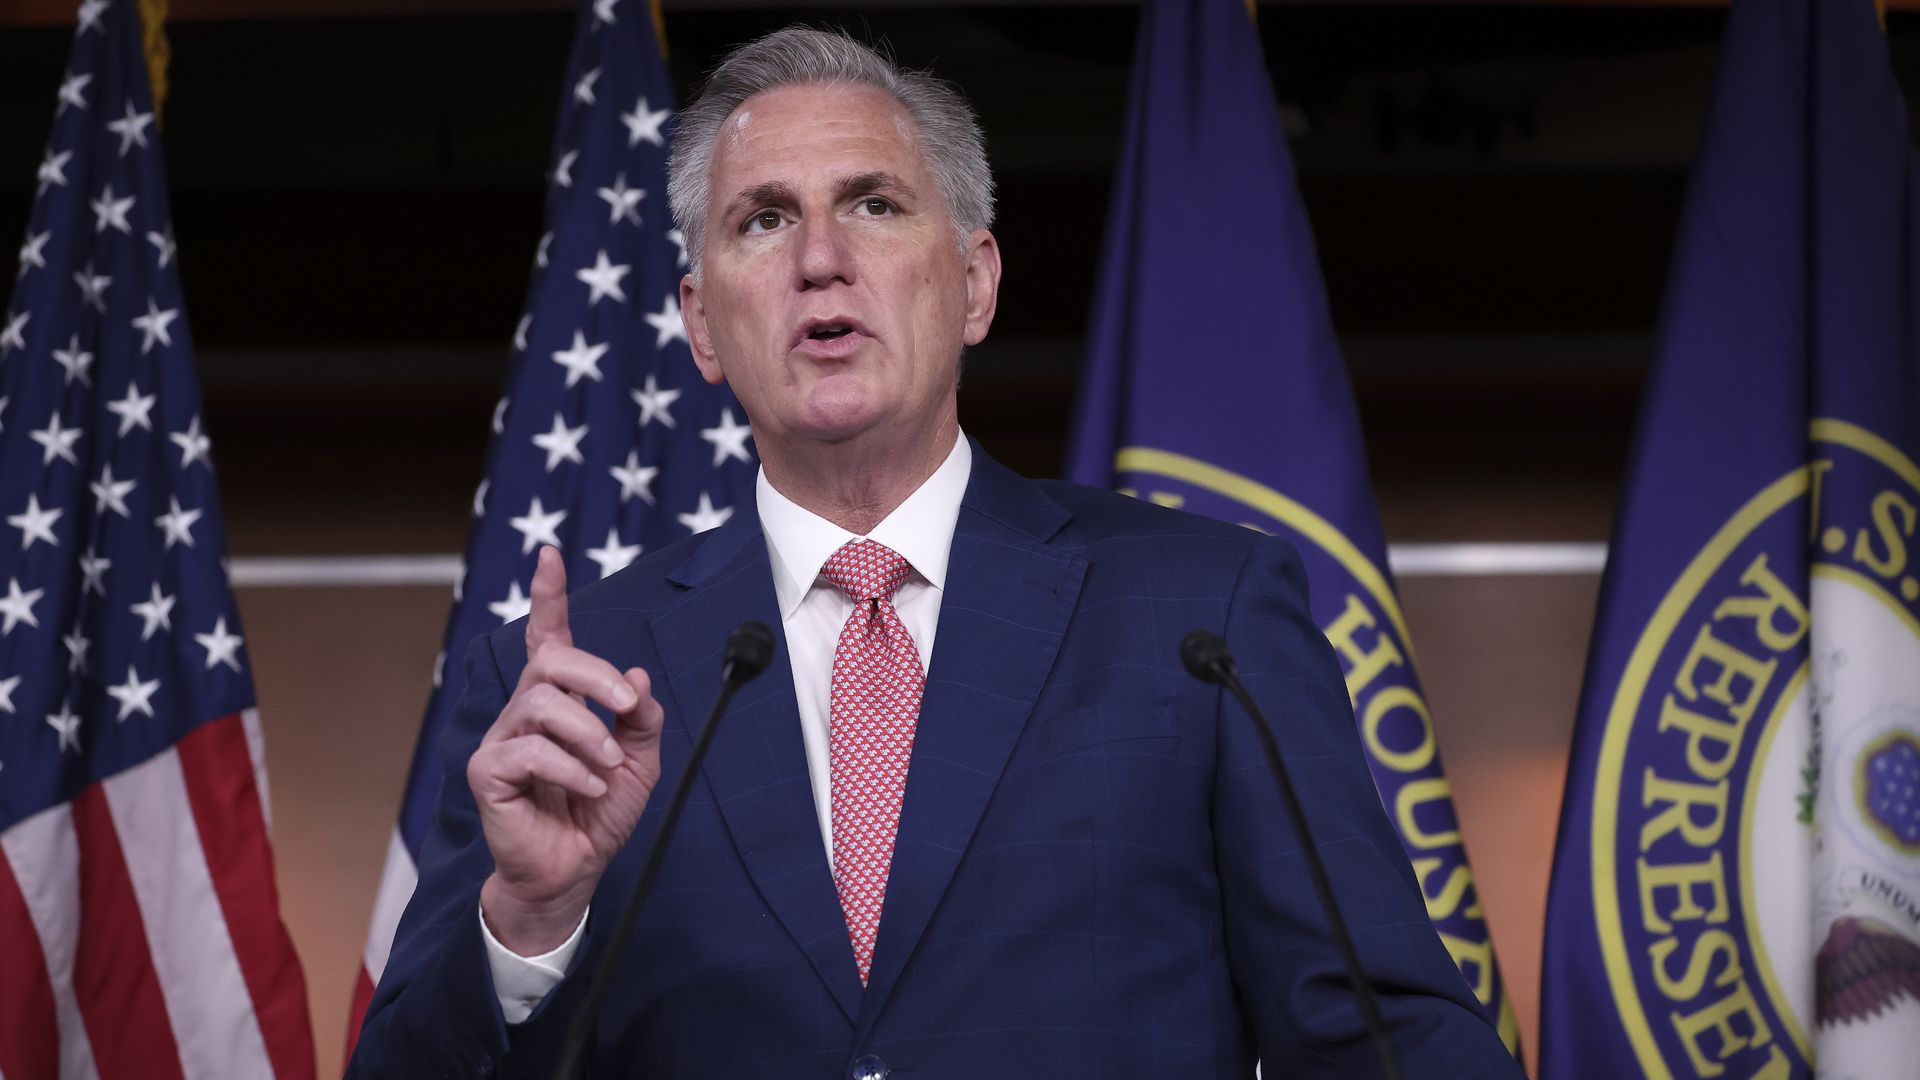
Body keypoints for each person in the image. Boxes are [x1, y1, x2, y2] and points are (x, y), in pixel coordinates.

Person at [348, 26, 1520, 1079]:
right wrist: (530, 921)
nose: (818, 258)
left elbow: (1389, 1038)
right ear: (703, 326)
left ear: (973, 283)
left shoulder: (1200, 616)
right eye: (763, 218)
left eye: (872, 204)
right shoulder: (566, 684)